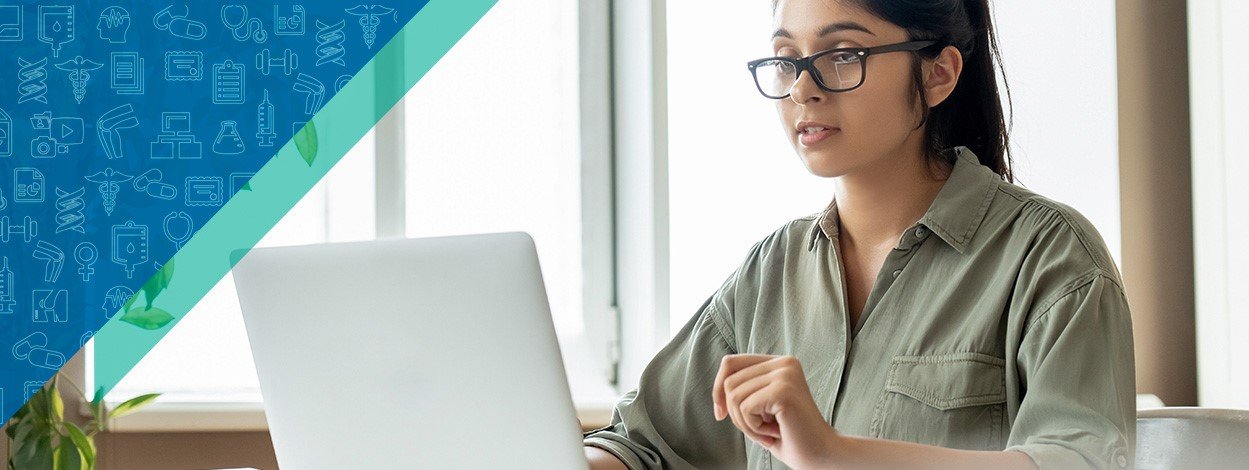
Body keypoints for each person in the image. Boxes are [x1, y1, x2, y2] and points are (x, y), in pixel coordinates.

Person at [582, 0, 1136, 469]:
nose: (803, 89)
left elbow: (1074, 460)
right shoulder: (771, 271)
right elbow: (641, 447)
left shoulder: (1053, 258)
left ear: (938, 73)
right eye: (786, 60)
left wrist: (833, 455)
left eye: (843, 55)